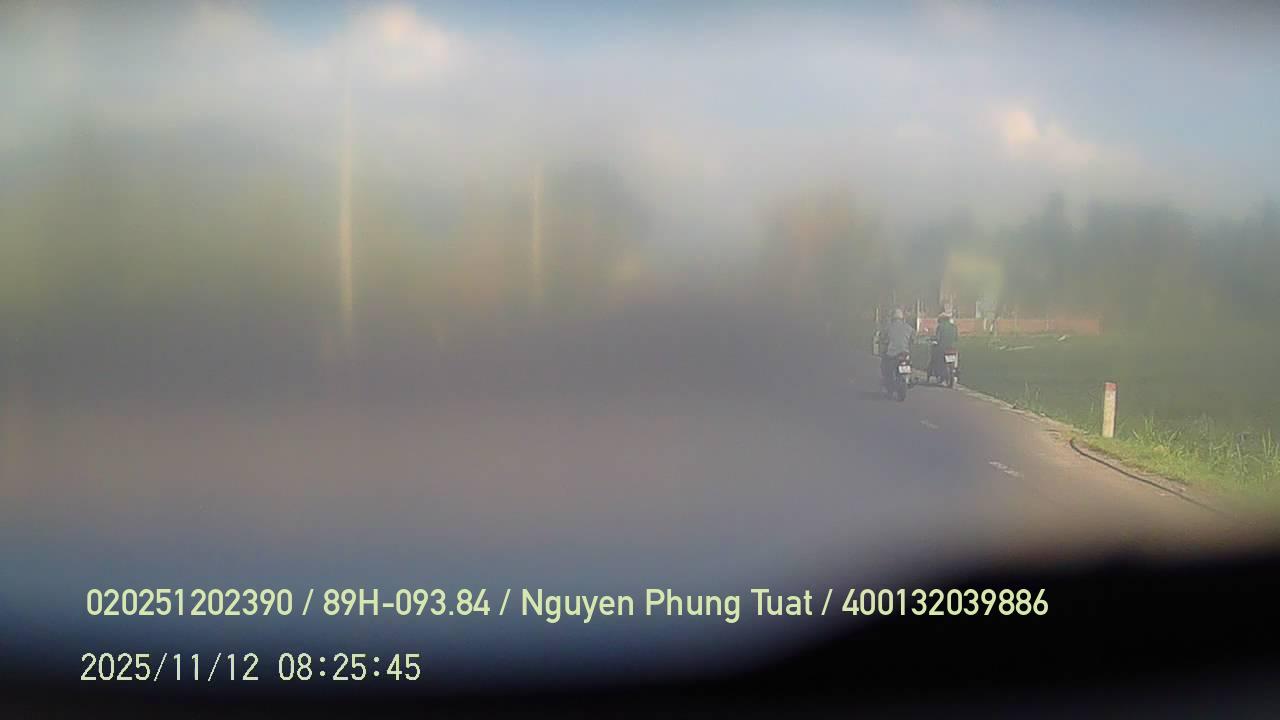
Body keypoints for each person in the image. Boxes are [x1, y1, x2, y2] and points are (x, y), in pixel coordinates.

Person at [881, 308, 914, 383]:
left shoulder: (889, 327)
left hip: (892, 353)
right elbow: (913, 339)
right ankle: (908, 378)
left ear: (893, 317)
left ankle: (888, 379)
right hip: (905, 353)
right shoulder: (908, 327)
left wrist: (882, 341)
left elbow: (883, 338)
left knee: (885, 365)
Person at [930, 312, 959, 379]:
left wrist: (932, 338)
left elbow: (937, 338)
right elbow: (956, 338)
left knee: (936, 358)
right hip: (952, 348)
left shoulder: (940, 327)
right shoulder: (954, 327)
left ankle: (939, 372)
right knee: (955, 360)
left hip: (942, 347)